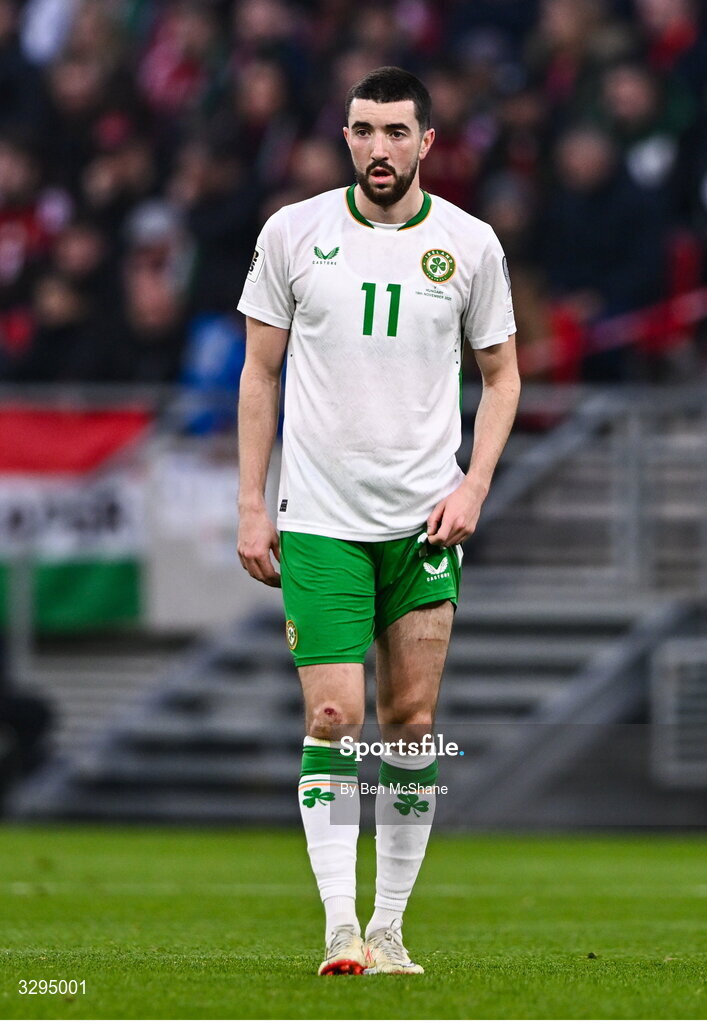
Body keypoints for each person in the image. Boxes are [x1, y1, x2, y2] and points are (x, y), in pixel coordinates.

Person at [236, 66, 519, 976]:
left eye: (397, 132)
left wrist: (473, 485)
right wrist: (251, 505)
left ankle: (391, 930)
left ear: (428, 142)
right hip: (318, 516)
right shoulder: (294, 232)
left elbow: (503, 376)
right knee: (334, 711)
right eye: (363, 130)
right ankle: (338, 928)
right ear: (346, 136)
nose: (378, 148)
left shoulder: (471, 245)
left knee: (412, 720)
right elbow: (259, 375)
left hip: (424, 520)